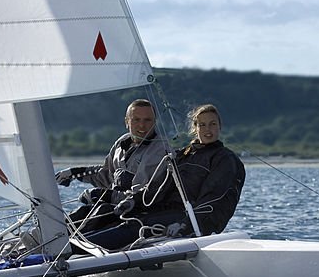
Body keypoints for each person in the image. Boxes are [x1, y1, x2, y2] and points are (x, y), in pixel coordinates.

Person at [82, 103, 246, 250]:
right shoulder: (183, 154)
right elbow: (158, 186)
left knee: (133, 226)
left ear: (220, 127)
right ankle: (67, 244)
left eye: (212, 124)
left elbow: (213, 199)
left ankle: (75, 251)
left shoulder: (225, 159)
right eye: (202, 125)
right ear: (195, 128)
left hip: (185, 216)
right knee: (106, 211)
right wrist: (134, 201)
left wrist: (185, 225)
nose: (207, 129)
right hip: (161, 209)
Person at [56, 98, 169, 228]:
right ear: (127, 122)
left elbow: (142, 195)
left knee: (102, 210)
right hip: (116, 206)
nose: (142, 125)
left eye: (147, 120)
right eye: (136, 120)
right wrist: (75, 173)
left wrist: (106, 195)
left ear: (154, 122)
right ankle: (49, 236)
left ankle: (68, 242)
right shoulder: (122, 142)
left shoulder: (159, 150)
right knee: (84, 211)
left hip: (139, 212)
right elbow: (105, 175)